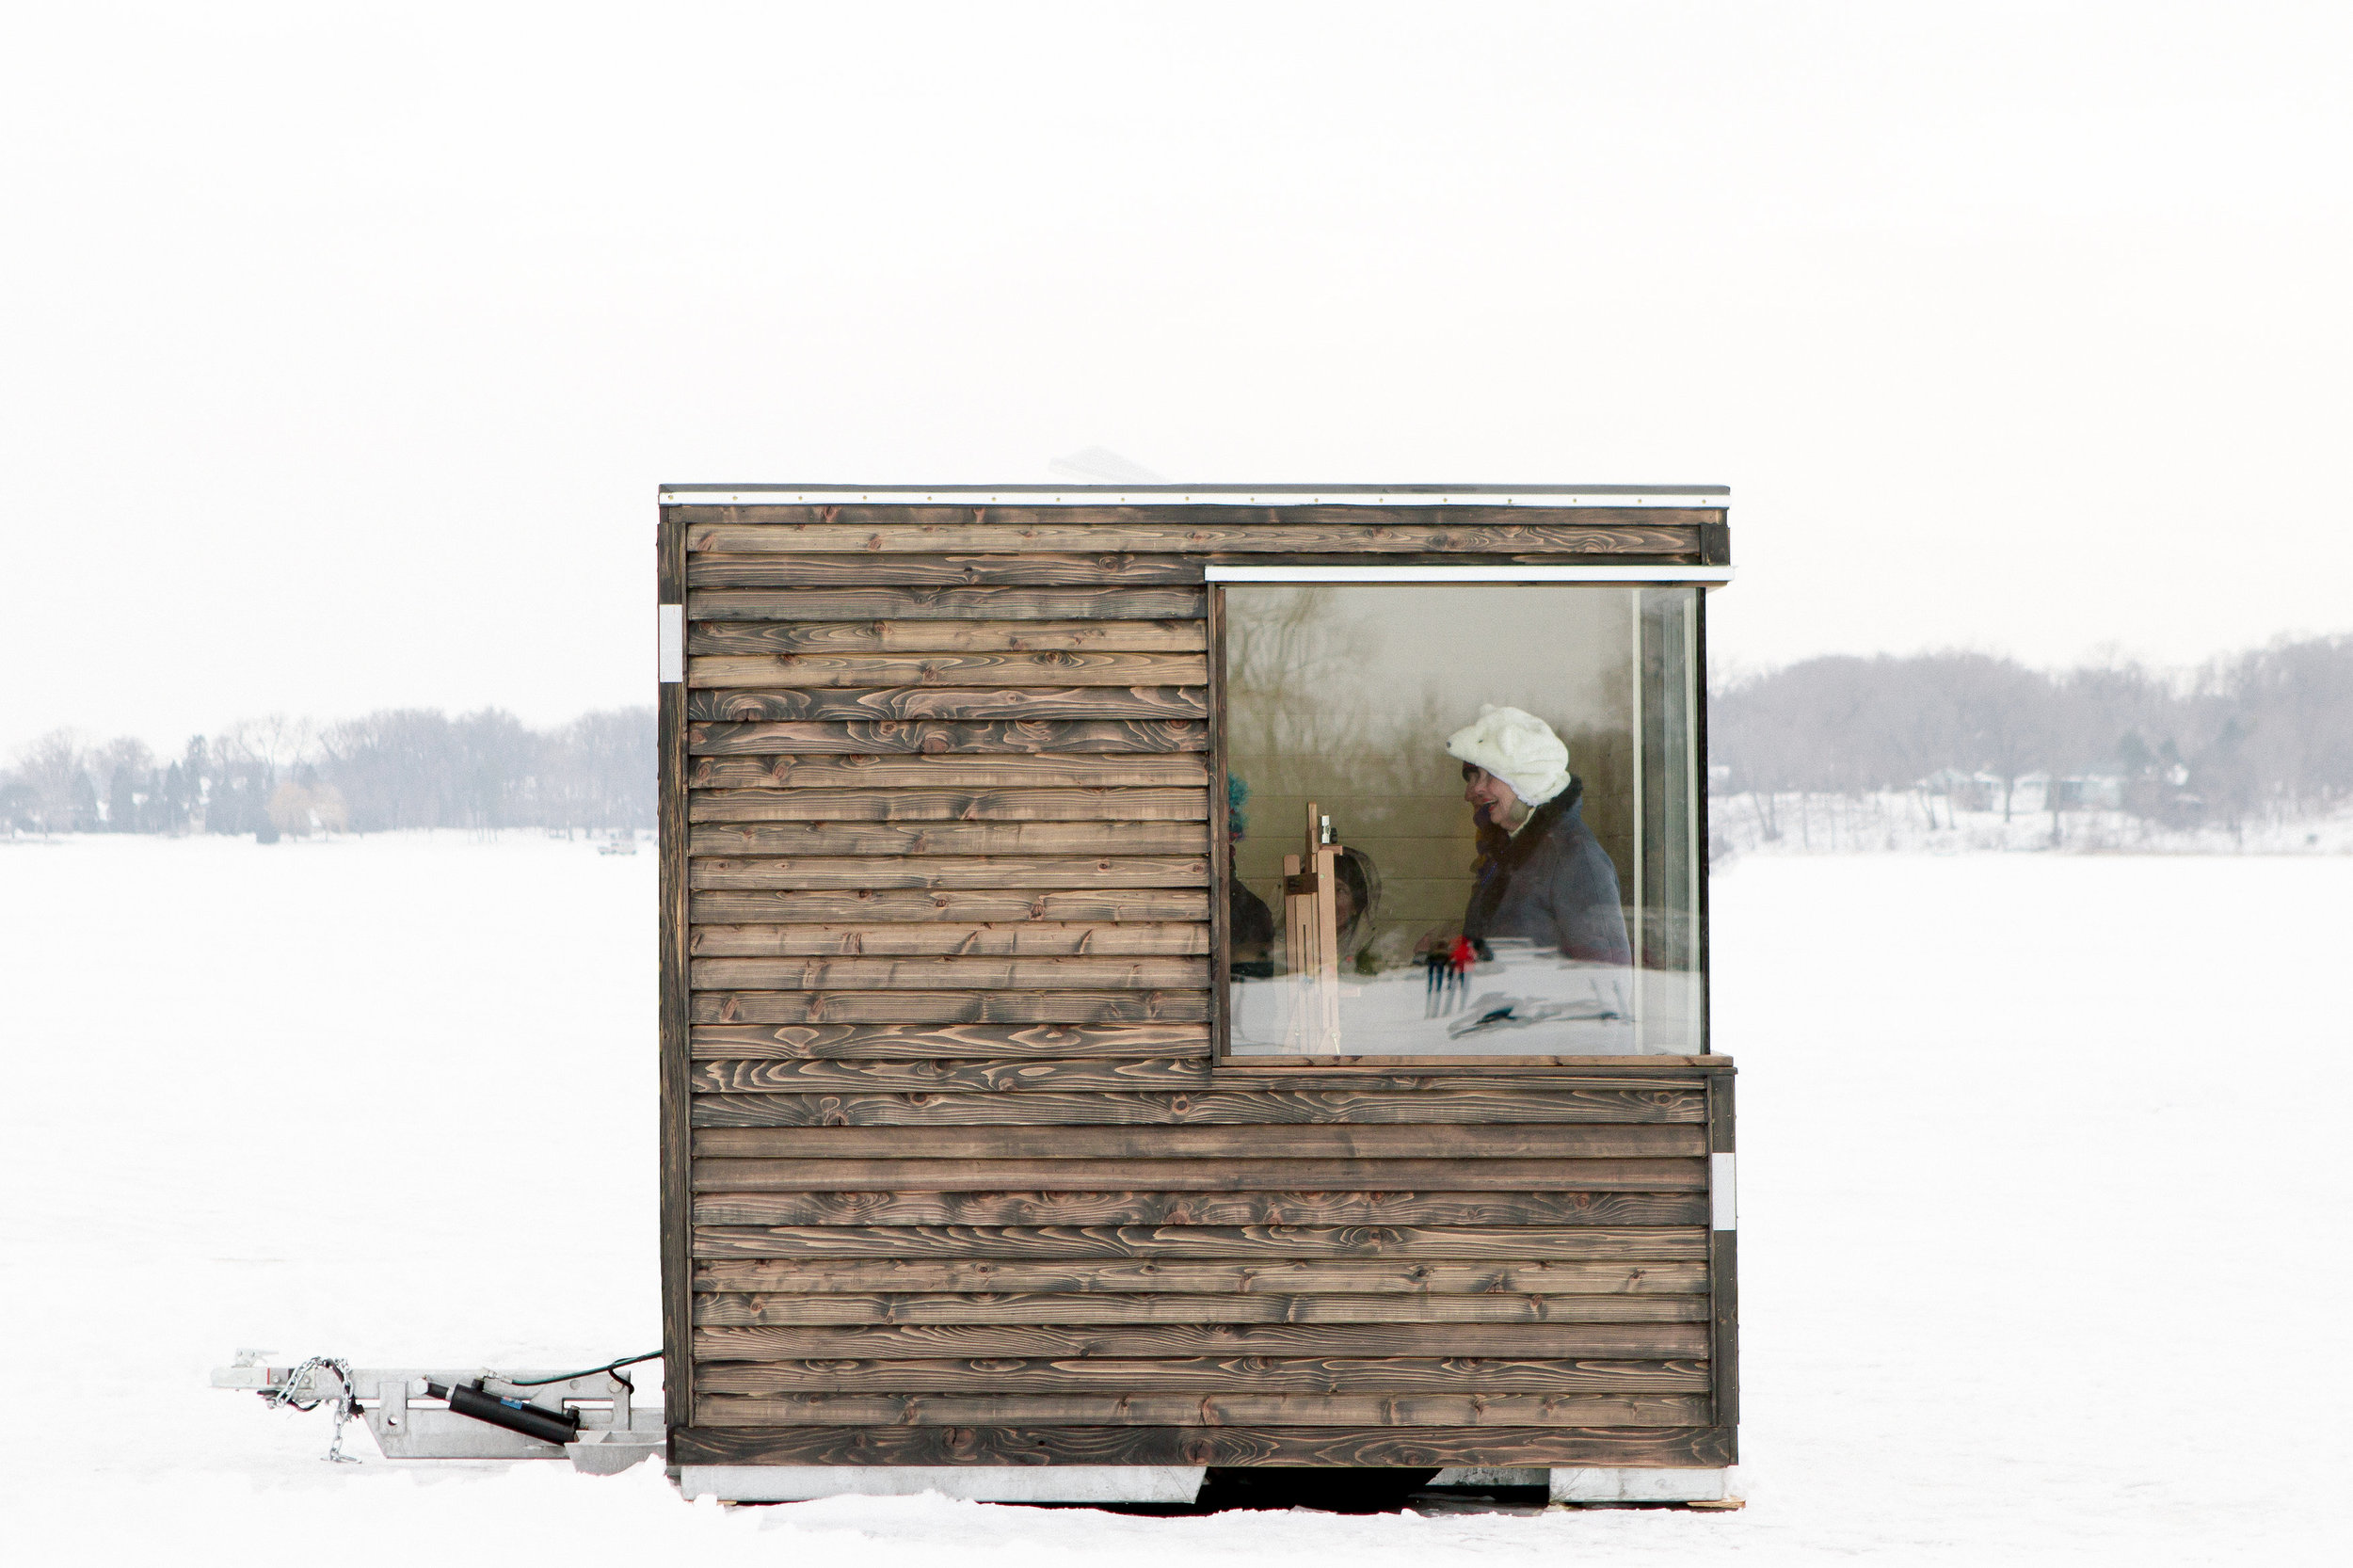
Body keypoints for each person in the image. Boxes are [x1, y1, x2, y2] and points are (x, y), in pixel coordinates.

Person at [1444, 704, 1630, 966]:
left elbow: (1606, 982)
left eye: (1489, 776)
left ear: (1527, 778)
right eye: (1474, 778)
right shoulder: (1507, 851)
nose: (1472, 791)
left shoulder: (1574, 858)